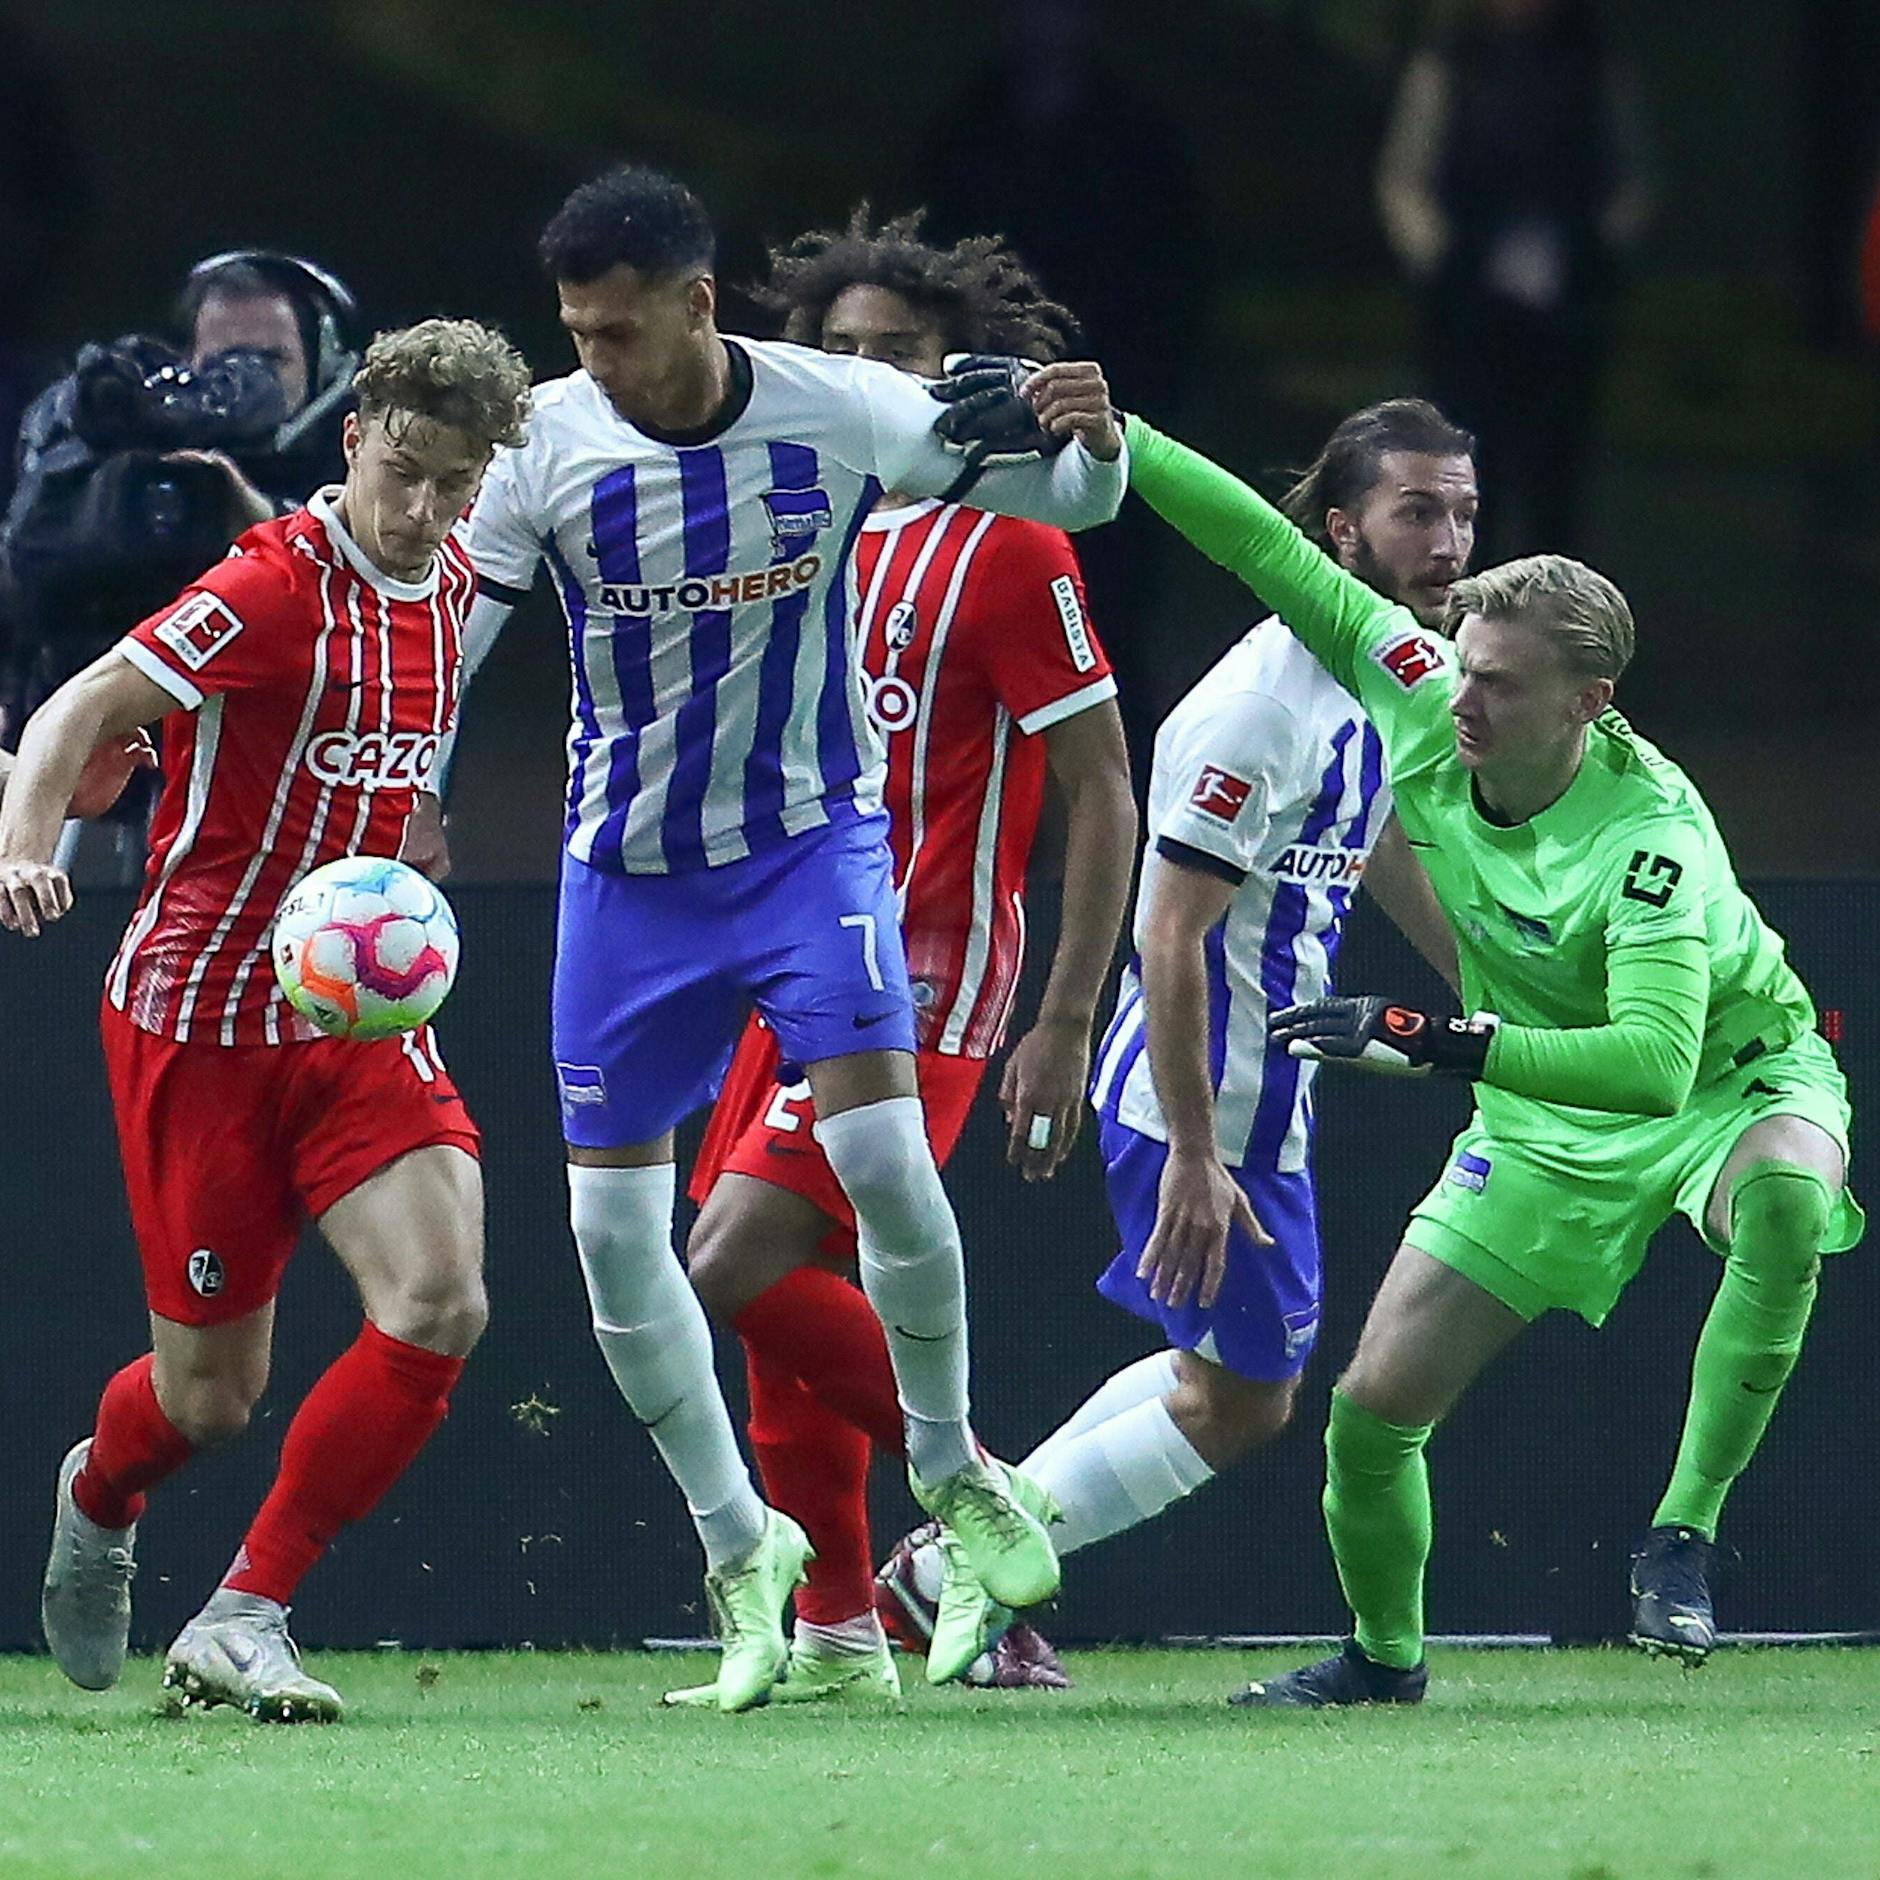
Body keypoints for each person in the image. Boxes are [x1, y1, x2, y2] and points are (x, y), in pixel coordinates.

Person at [446, 163, 1126, 1713]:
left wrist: (1092, 447)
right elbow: (454, 632)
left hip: (813, 851)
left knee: (879, 1168)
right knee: (618, 1241)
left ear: (695, 304)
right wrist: (411, 790)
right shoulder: (542, 445)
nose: (597, 363)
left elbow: (1062, 501)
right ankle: (742, 1554)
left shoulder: (837, 407)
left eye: (619, 333)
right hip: (623, 884)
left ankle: (952, 1475)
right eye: (577, 333)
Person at [1117, 414, 1862, 1707]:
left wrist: (1434, 1038)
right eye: (1460, 668)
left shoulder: (1651, 842)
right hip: (1532, 1121)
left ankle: (1683, 1532)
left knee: (1789, 1205)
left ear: (1589, 705)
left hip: (1727, 1085)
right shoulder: (1422, 686)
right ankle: (1383, 1663)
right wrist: (1106, 425)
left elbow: (1647, 1065)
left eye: (1500, 685)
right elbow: (1254, 541)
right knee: (1369, 1416)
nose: (1460, 697)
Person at [881, 401, 1473, 1685]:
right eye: (1415, 512)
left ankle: (954, 1560)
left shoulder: (1374, 676)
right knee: (1244, 1398)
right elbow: (1173, 934)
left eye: (1462, 511)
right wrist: (1197, 1152)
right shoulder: (1255, 704)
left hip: (1262, 1089)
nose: (1446, 541)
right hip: (1201, 1091)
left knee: (1221, 1376)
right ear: (1337, 531)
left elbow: (1366, 843)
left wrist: (1485, 983)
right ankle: (950, 1570)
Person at [0, 318, 532, 1722]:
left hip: (354, 1017)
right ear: (355, 438)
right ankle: (99, 1492)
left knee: (442, 1299)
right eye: (402, 471)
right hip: (201, 1017)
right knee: (210, 1401)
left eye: (453, 483)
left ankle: (244, 1613)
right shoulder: (266, 590)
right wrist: (21, 845)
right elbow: (74, 711)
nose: (422, 510)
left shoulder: (457, 575)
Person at [654, 210, 1137, 1706]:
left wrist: (1066, 1016)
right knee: (770, 1310)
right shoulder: (783, 525)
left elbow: (1105, 789)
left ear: (956, 372)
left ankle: (982, 1505)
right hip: (762, 958)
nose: (864, 376)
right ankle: (844, 1632)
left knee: (731, 1260)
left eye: (900, 356)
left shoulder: (1010, 538)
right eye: (840, 352)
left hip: (916, 974)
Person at [1376, 0, 1651, 559]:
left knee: (1558, 476)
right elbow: (1407, 175)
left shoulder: (1593, 67)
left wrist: (1594, 252)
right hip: (1469, 306)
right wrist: (1445, 261)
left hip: (1566, 302)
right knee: (1471, 473)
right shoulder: (1448, 66)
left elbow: (1629, 174)